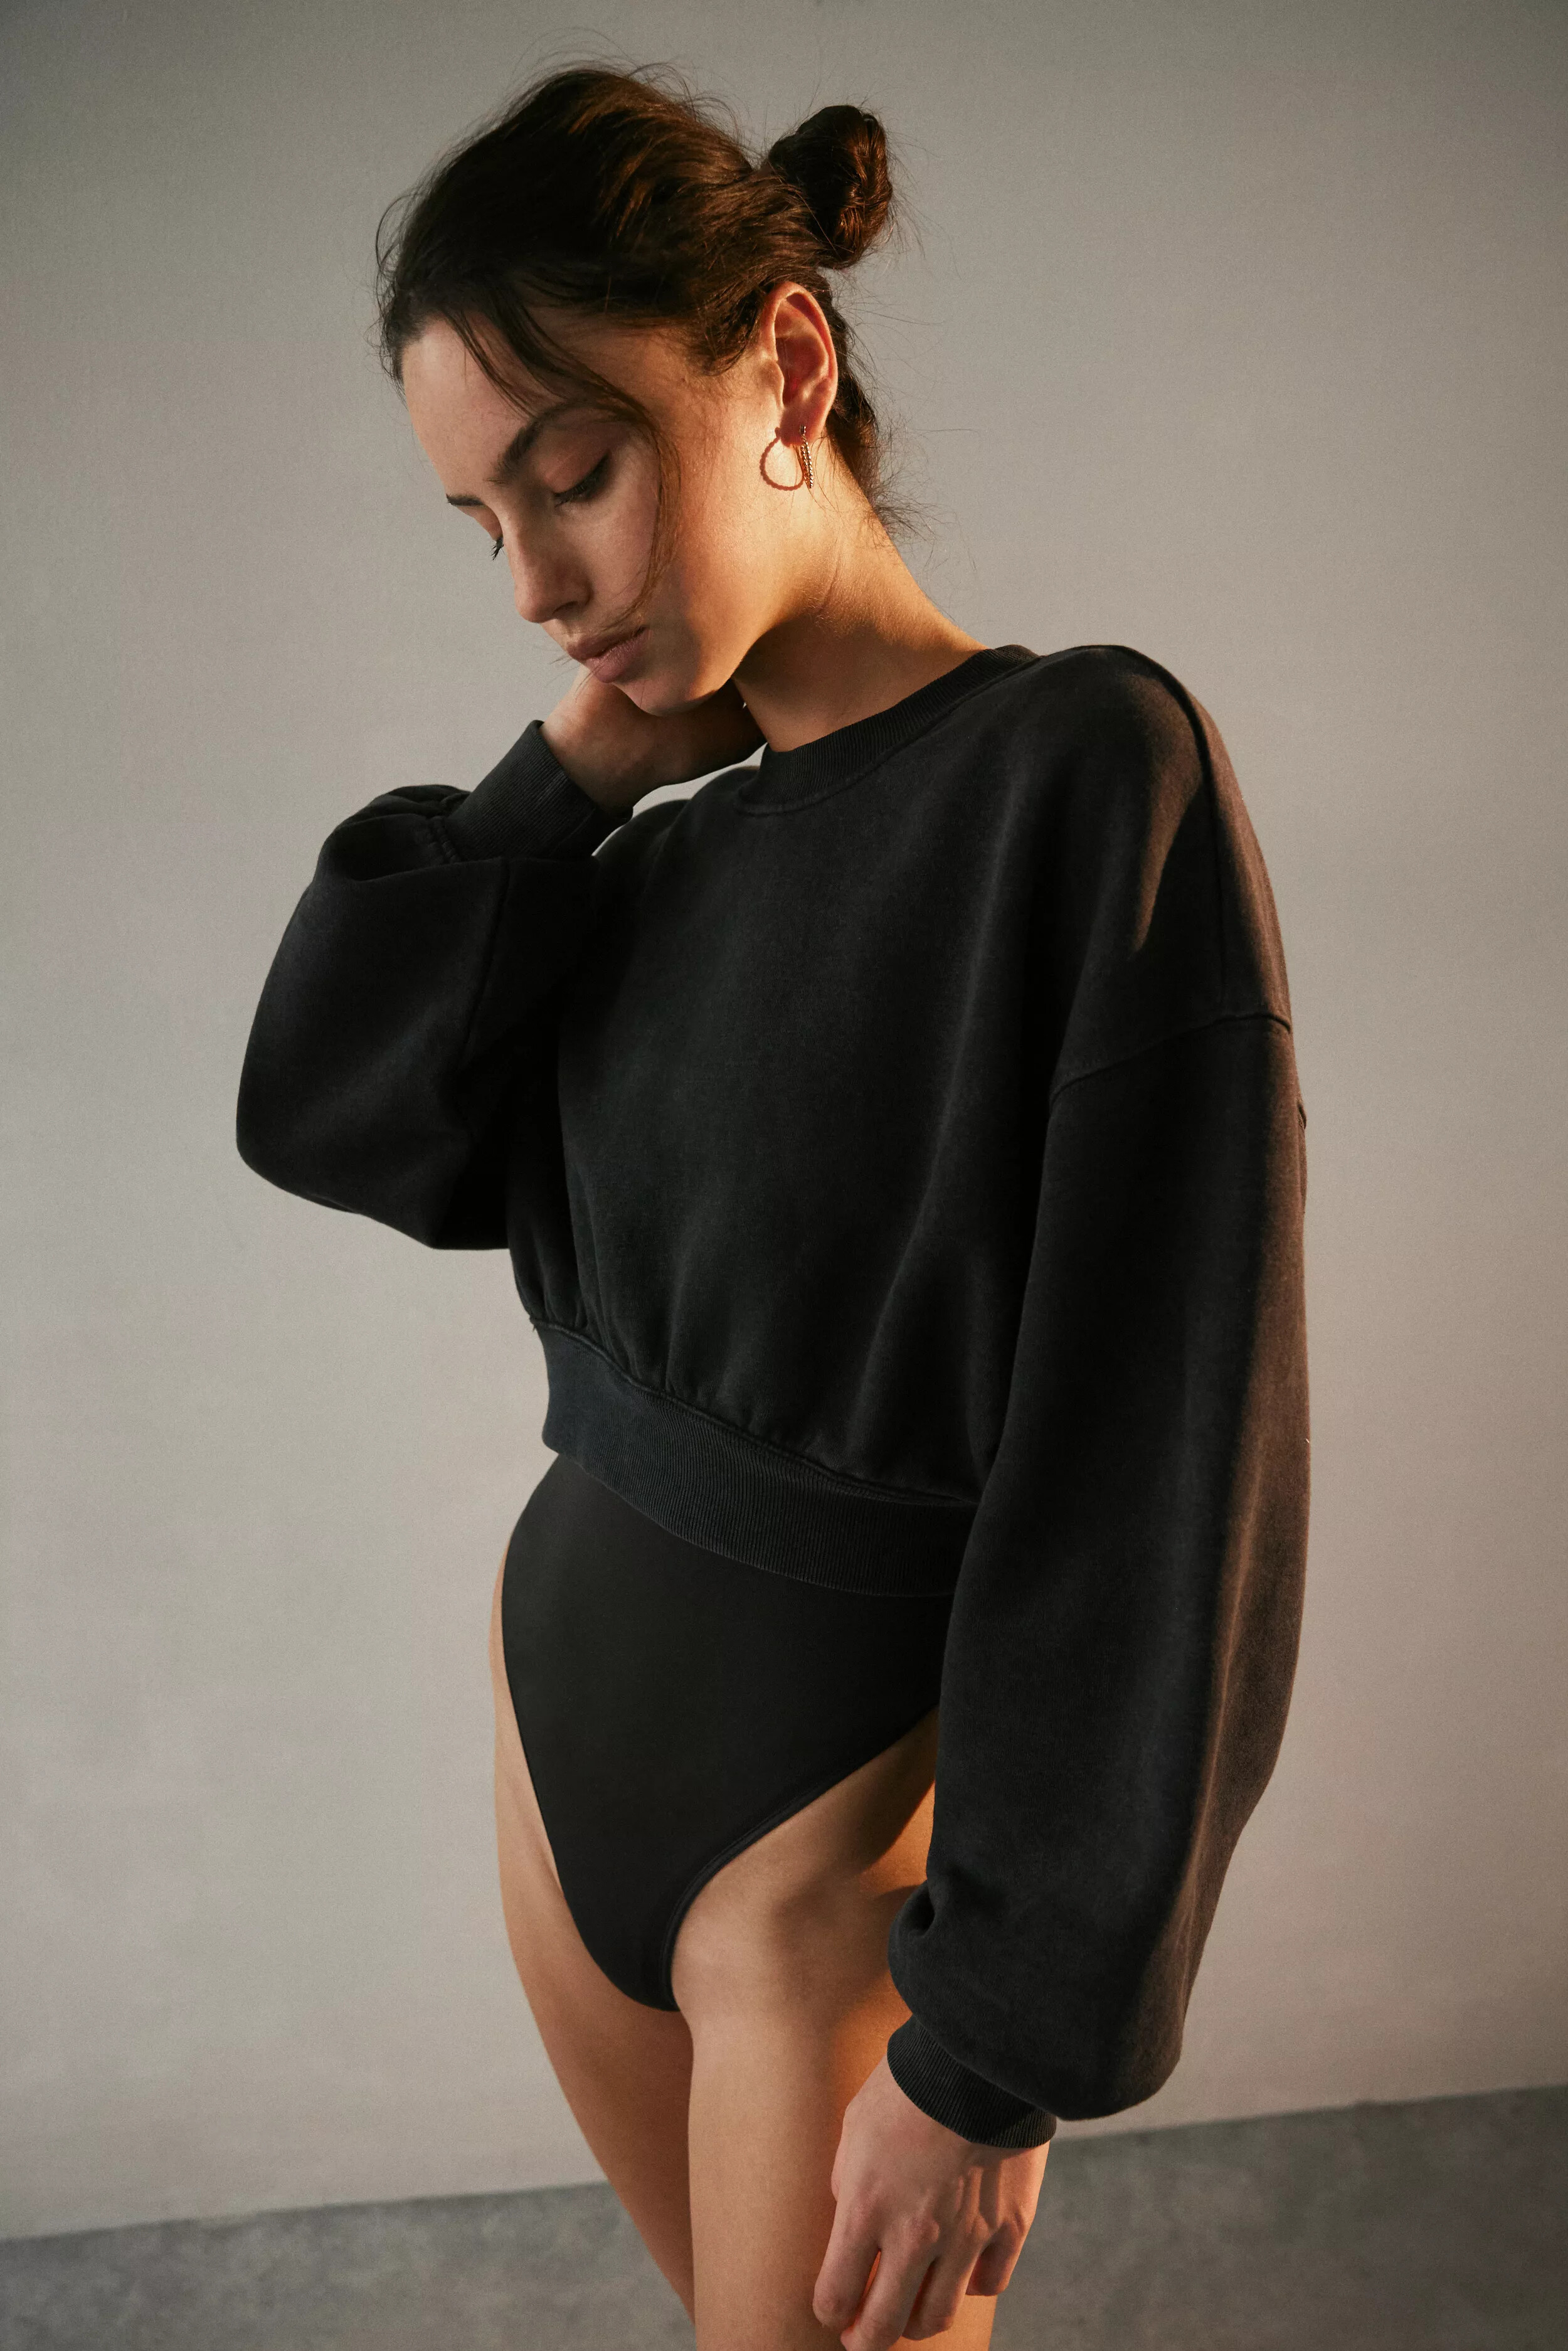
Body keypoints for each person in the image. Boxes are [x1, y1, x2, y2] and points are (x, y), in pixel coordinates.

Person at [236, 62, 1310, 2351]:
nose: (536, 585)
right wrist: (567, 781)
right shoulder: (658, 861)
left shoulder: (1077, 778)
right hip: (555, 1781)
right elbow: (329, 1114)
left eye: (574, 473)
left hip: (802, 1902)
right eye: (479, 523)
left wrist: (994, 2047)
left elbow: (1162, 1456)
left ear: (787, 368)